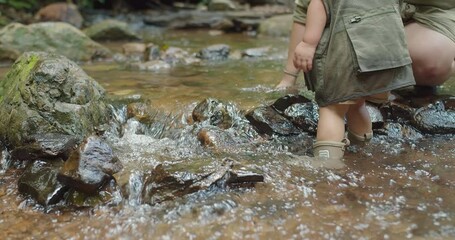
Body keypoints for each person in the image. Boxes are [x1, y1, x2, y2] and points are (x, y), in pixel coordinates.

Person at [285, 0, 417, 160]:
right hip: (385, 51)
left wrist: (308, 44)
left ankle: (327, 164)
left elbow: (320, 4)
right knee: (358, 101)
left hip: (347, 53)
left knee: (333, 109)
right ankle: (361, 152)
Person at [277, 0, 455, 89]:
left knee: (430, 63)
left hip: (433, 12)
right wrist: (288, 78)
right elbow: (307, 6)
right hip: (368, 15)